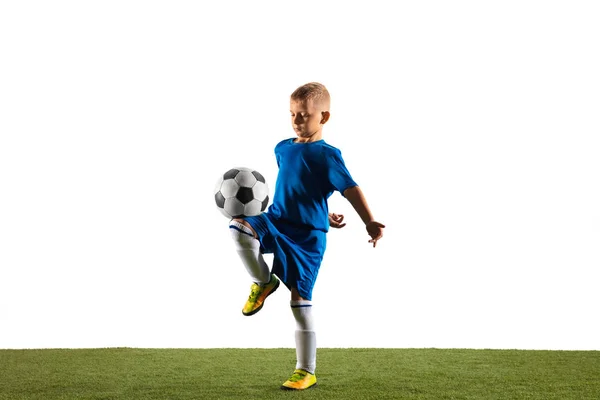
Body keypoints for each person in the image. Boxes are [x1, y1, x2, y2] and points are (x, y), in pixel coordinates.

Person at [228, 82, 385, 390]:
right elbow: (300, 188)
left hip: (308, 238)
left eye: (304, 115)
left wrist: (368, 221)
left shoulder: (328, 155)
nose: (297, 120)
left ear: (323, 117)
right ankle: (263, 282)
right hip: (277, 219)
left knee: (299, 302)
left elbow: (350, 189)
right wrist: (322, 209)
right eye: (292, 114)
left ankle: (306, 370)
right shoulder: (282, 148)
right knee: (239, 228)